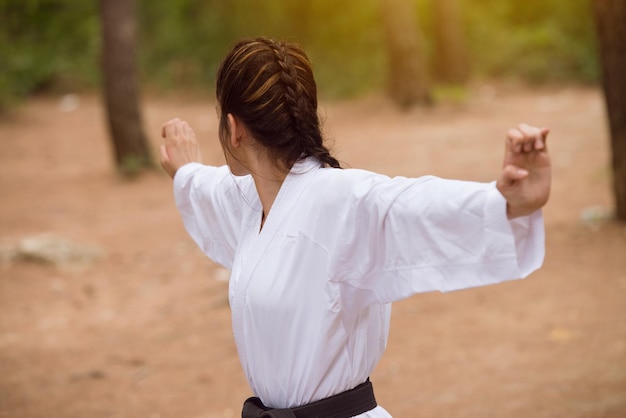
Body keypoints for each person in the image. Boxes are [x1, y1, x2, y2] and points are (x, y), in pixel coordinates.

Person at [159, 38, 550, 418]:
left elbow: (414, 205)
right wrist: (185, 170)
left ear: (233, 127)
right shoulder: (249, 201)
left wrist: (505, 204)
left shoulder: (341, 201)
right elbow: (207, 190)